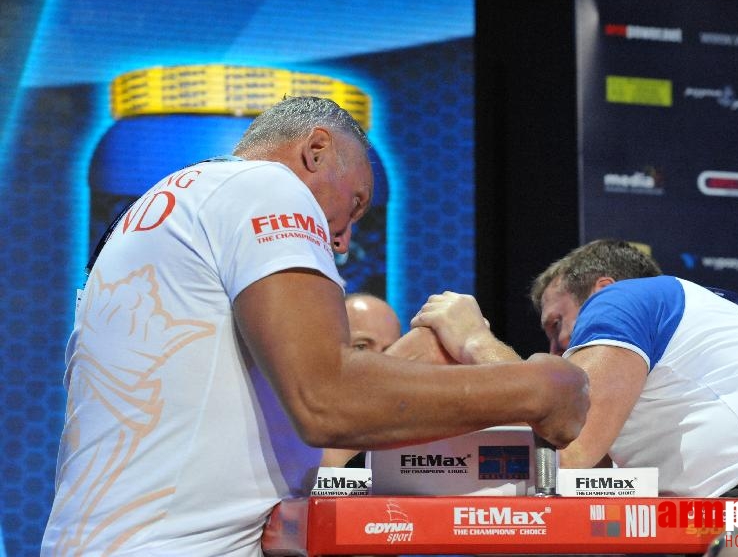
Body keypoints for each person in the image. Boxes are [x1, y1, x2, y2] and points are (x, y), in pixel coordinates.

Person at [40, 96, 589, 556]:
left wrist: (433, 351)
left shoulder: (164, 212)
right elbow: (324, 399)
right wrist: (540, 388)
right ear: (316, 149)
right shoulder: (266, 186)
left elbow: (273, 413)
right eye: (354, 203)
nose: (345, 238)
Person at [412, 238, 738, 536]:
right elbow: (577, 469)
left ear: (601, 288)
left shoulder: (625, 298)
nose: (556, 349)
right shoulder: (698, 332)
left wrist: (475, 341)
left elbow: (568, 444)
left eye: (557, 324)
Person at [320, 292, 402, 468]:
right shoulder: (302, 418)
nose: (380, 360)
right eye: (362, 347)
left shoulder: (418, 426)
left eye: (392, 349)